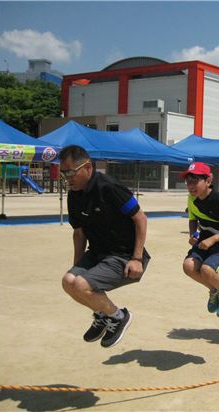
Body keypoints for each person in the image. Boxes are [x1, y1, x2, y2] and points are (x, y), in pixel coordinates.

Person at [59, 145, 150, 348]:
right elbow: (79, 232)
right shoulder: (74, 195)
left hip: (124, 256)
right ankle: (102, 315)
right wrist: (78, 265)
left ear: (88, 167)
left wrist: (136, 258)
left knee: (81, 284)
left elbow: (141, 219)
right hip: (98, 253)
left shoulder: (109, 188)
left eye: (71, 171)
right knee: (69, 282)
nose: (67, 177)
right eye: (63, 172)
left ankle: (118, 317)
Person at [181, 162, 219, 318]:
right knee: (188, 266)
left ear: (208, 180)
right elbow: (192, 218)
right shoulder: (191, 198)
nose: (190, 186)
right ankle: (214, 290)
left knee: (207, 270)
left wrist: (213, 239)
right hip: (204, 239)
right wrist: (193, 234)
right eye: (188, 182)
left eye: (195, 181)